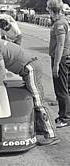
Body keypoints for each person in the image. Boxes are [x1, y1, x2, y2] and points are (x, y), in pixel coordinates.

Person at [0, 25, 60, 146]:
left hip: (30, 68)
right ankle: (42, 127)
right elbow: (4, 64)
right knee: (35, 100)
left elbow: (2, 72)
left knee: (39, 102)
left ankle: (52, 134)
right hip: (31, 66)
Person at [47, 0, 70, 128]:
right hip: (64, 57)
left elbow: (60, 44)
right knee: (64, 88)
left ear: (51, 10)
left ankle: (65, 117)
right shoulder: (63, 21)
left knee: (61, 89)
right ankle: (64, 114)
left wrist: (56, 64)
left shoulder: (59, 24)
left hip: (61, 58)